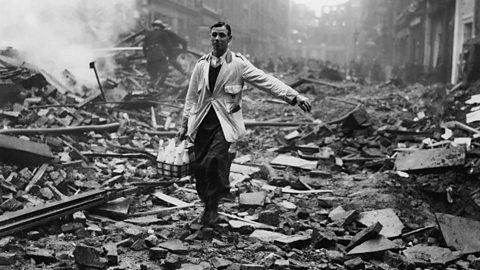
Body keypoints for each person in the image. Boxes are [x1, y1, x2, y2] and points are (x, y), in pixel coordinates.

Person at [176, 22, 311, 226]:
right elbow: (191, 98)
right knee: (201, 168)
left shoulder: (238, 64)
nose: (217, 39)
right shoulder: (201, 65)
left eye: (222, 35)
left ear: (229, 39)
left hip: (225, 123)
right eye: (214, 35)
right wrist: (184, 124)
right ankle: (208, 205)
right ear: (209, 37)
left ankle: (212, 209)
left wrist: (294, 96)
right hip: (201, 123)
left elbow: (266, 81)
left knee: (214, 161)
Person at [142, 20, 170, 88]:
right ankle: (158, 86)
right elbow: (168, 45)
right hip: (159, 57)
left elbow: (144, 47)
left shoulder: (148, 34)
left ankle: (154, 89)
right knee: (165, 71)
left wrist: (147, 56)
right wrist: (169, 55)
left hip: (150, 58)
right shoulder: (162, 33)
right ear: (160, 27)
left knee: (153, 75)